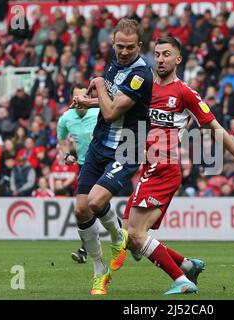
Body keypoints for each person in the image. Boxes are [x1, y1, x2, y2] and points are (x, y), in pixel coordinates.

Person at [121, 36, 234, 295]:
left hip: (164, 168)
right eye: (157, 54)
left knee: (135, 235)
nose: (160, 59)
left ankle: (181, 279)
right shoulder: (143, 87)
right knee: (129, 235)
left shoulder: (184, 93)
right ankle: (187, 265)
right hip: (147, 168)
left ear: (178, 59)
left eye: (166, 54)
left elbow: (214, 127)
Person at [71, 19, 153, 295]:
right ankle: (100, 270)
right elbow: (112, 102)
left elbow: (111, 112)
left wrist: (96, 84)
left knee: (95, 201)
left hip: (126, 146)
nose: (125, 51)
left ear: (139, 47)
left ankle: (119, 237)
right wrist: (87, 101)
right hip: (99, 145)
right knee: (81, 210)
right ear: (114, 44)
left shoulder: (142, 73)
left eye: (130, 47)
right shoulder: (114, 64)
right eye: (120, 46)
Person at [57, 84, 100, 264]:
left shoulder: (98, 112)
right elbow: (61, 141)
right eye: (77, 99)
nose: (81, 102)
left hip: (103, 162)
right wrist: (66, 155)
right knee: (84, 209)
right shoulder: (66, 118)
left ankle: (84, 249)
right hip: (84, 166)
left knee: (95, 205)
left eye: (84, 98)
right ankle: (124, 238)